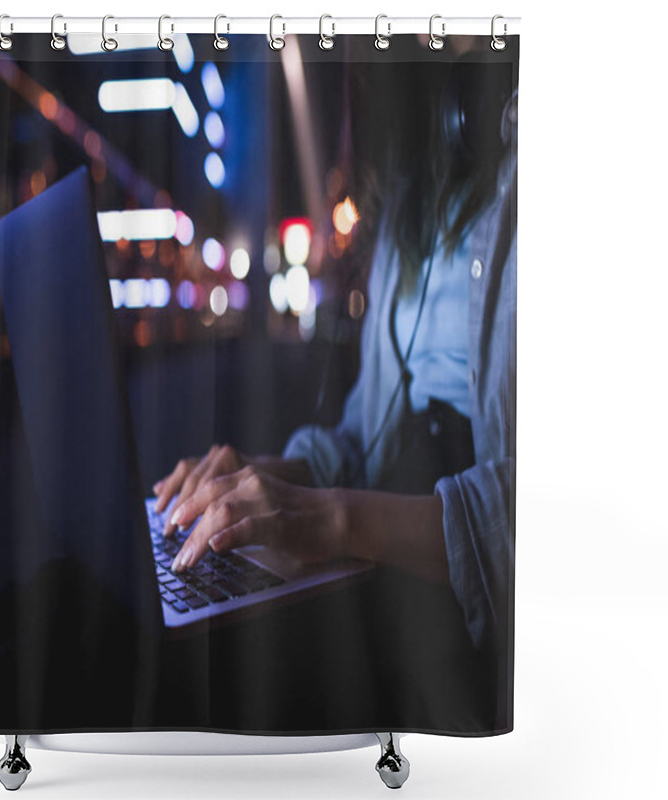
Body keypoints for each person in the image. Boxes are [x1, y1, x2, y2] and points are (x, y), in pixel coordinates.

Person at [154, 49, 517, 724]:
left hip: (467, 617)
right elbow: (363, 432)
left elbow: (550, 512)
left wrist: (333, 519)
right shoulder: (413, 207)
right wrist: (264, 482)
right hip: (391, 564)